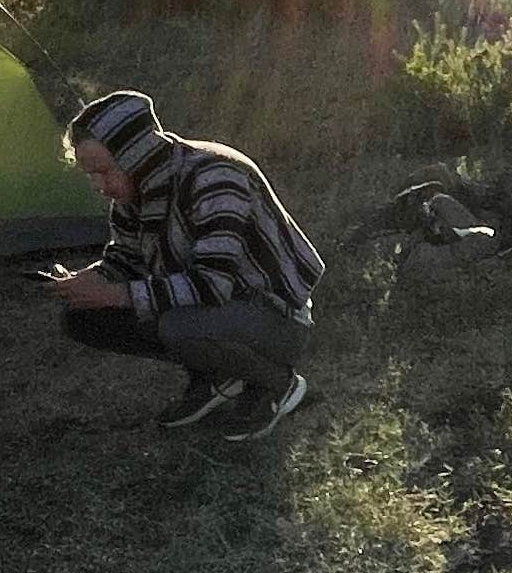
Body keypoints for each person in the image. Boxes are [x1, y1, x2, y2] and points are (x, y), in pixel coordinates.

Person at [48, 89, 323, 435]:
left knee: (176, 325)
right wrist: (89, 280)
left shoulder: (213, 178)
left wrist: (115, 294)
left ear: (135, 156)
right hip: (215, 309)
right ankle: (218, 374)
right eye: (91, 175)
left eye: (103, 172)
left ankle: (277, 383)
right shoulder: (138, 186)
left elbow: (212, 285)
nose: (99, 186)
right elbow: (126, 256)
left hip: (275, 315)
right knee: (84, 318)